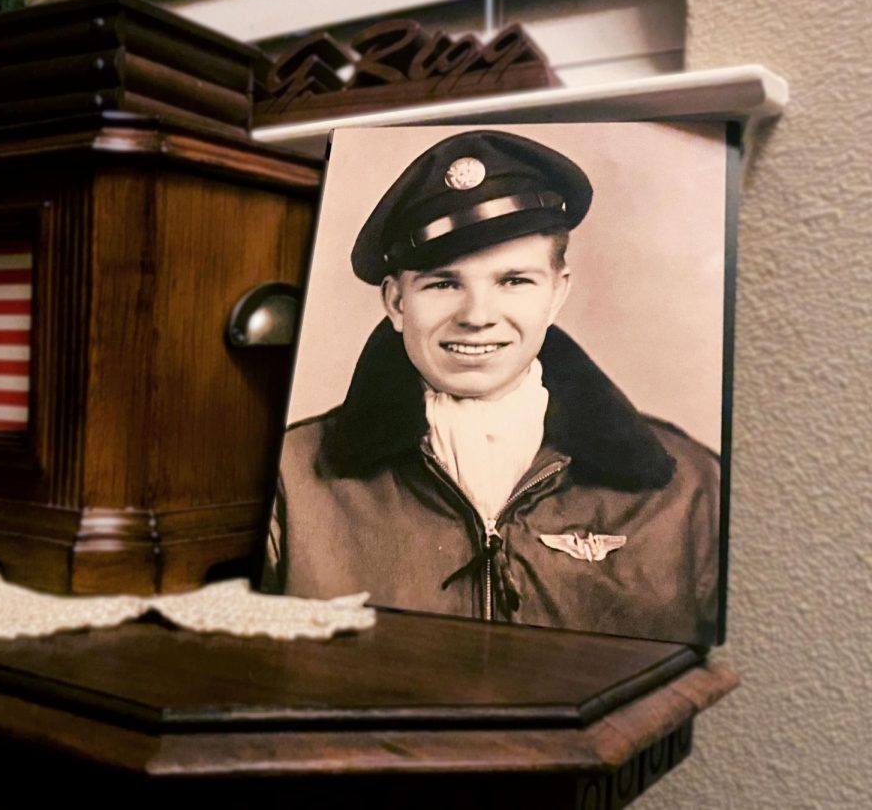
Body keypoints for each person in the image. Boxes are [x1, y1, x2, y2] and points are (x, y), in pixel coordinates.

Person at [263, 130, 720, 645]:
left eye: (514, 281)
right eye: (443, 283)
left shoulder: (687, 486)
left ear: (556, 292)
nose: (477, 317)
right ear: (395, 303)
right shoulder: (290, 480)